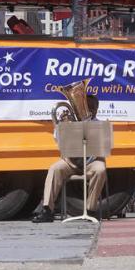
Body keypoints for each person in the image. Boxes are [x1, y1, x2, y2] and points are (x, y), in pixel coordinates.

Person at [31, 95, 107, 223]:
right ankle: (47, 210)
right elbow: (58, 141)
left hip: (91, 162)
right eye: (88, 107)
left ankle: (91, 210)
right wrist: (63, 126)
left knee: (100, 169)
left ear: (97, 109)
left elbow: (103, 146)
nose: (91, 110)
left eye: (93, 108)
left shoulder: (100, 125)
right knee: (55, 168)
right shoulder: (72, 122)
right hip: (71, 162)